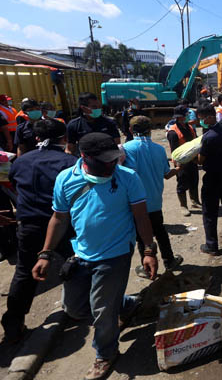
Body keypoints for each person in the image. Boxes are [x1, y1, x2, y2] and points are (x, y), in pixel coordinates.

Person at [32, 132, 158, 379]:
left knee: (101, 310)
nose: (111, 165)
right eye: (105, 161)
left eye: (114, 159)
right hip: (81, 254)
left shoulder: (128, 178)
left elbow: (141, 217)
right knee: (75, 308)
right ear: (84, 157)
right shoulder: (66, 179)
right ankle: (125, 304)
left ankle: (105, 353)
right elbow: (59, 218)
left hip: (116, 253)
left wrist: (148, 250)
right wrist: (45, 254)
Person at [1, 119, 77, 343]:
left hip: (28, 225)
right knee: (76, 262)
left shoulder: (21, 162)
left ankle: (13, 323)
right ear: (64, 138)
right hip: (62, 222)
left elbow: (14, 185)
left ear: (36, 138)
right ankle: (80, 306)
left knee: (24, 273)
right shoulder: (69, 162)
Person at [122, 116, 184, 278]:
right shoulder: (158, 149)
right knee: (160, 231)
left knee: (142, 236)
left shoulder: (127, 149)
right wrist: (177, 168)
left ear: (130, 130)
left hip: (136, 203)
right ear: (150, 130)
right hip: (155, 200)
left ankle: (148, 267)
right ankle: (169, 260)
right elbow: (167, 174)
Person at [196, 103, 222, 255]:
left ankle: (211, 245)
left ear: (210, 117)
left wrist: (191, 158)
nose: (201, 121)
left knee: (209, 212)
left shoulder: (208, 137)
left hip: (213, 178)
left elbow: (200, 160)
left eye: (202, 118)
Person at [166, 105, 200, 217]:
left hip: (192, 159)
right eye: (185, 115)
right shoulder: (173, 132)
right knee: (182, 183)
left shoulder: (189, 127)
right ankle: (183, 206)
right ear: (179, 117)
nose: (187, 116)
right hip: (182, 161)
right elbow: (174, 150)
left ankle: (195, 201)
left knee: (194, 180)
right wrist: (178, 165)